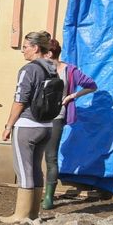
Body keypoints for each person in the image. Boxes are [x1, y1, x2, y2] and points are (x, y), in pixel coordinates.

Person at [0, 31, 60, 223]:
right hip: (47, 125)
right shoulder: (52, 68)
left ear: (35, 48)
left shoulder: (29, 69)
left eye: (25, 47)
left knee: (23, 168)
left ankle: (20, 215)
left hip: (27, 125)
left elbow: (20, 100)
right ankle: (33, 213)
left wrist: (9, 125)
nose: (23, 51)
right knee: (36, 168)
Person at [41, 39, 99, 209]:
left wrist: (72, 96)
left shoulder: (69, 70)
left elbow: (92, 85)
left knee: (51, 156)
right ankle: (35, 192)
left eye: (42, 52)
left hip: (56, 116)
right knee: (37, 155)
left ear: (50, 53)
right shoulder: (39, 69)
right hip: (37, 116)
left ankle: (48, 197)